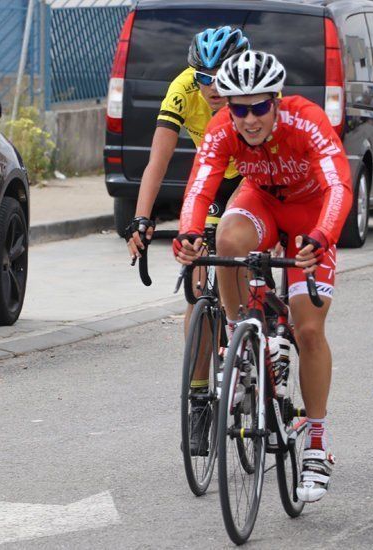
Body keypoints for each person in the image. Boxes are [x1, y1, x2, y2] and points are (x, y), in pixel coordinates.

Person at [172, 50, 352, 503]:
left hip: (311, 214)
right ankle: (241, 340)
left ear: (276, 100)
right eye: (238, 108)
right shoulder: (223, 129)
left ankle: (315, 441)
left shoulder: (305, 120)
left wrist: (323, 236)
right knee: (227, 241)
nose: (249, 119)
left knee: (309, 329)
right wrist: (190, 233)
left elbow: (339, 184)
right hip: (263, 203)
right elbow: (200, 186)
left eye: (258, 107)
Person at [124, 26, 249, 457]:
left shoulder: (252, 92)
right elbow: (157, 162)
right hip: (212, 181)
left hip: (253, 181)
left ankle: (258, 342)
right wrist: (141, 218)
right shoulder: (183, 87)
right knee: (197, 297)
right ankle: (200, 402)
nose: (211, 86)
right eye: (202, 77)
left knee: (248, 262)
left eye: (219, 76)